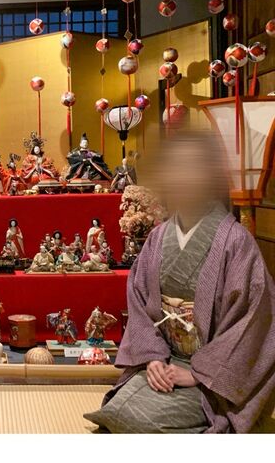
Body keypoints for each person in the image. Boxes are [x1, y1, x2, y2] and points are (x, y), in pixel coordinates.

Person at [85, 130, 275, 433]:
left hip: (211, 376)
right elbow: (139, 304)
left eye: (192, 168)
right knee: (117, 409)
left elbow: (252, 322)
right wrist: (152, 359)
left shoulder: (235, 242)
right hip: (164, 361)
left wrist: (199, 374)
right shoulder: (159, 237)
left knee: (142, 421)